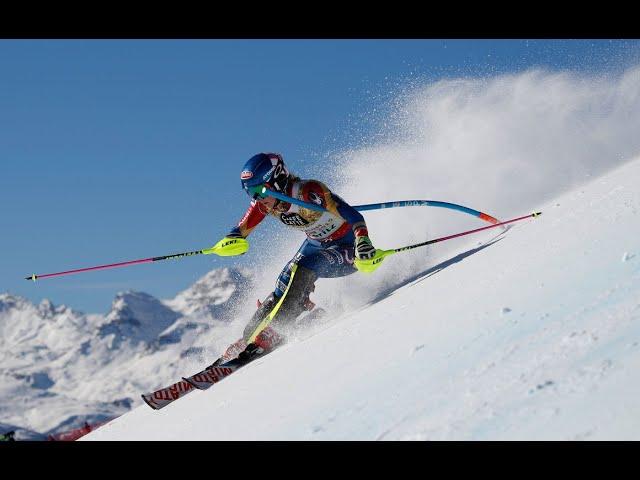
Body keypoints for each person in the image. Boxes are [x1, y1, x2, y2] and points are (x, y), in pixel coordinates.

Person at [211, 152, 386, 363]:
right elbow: (241, 230)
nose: (256, 198)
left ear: (276, 179)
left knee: (306, 267)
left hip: (346, 248)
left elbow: (355, 217)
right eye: (250, 192)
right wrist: (232, 241)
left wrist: (363, 241)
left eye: (258, 190)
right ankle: (250, 336)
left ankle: (277, 329)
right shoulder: (265, 203)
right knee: (283, 283)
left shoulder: (308, 192)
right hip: (315, 245)